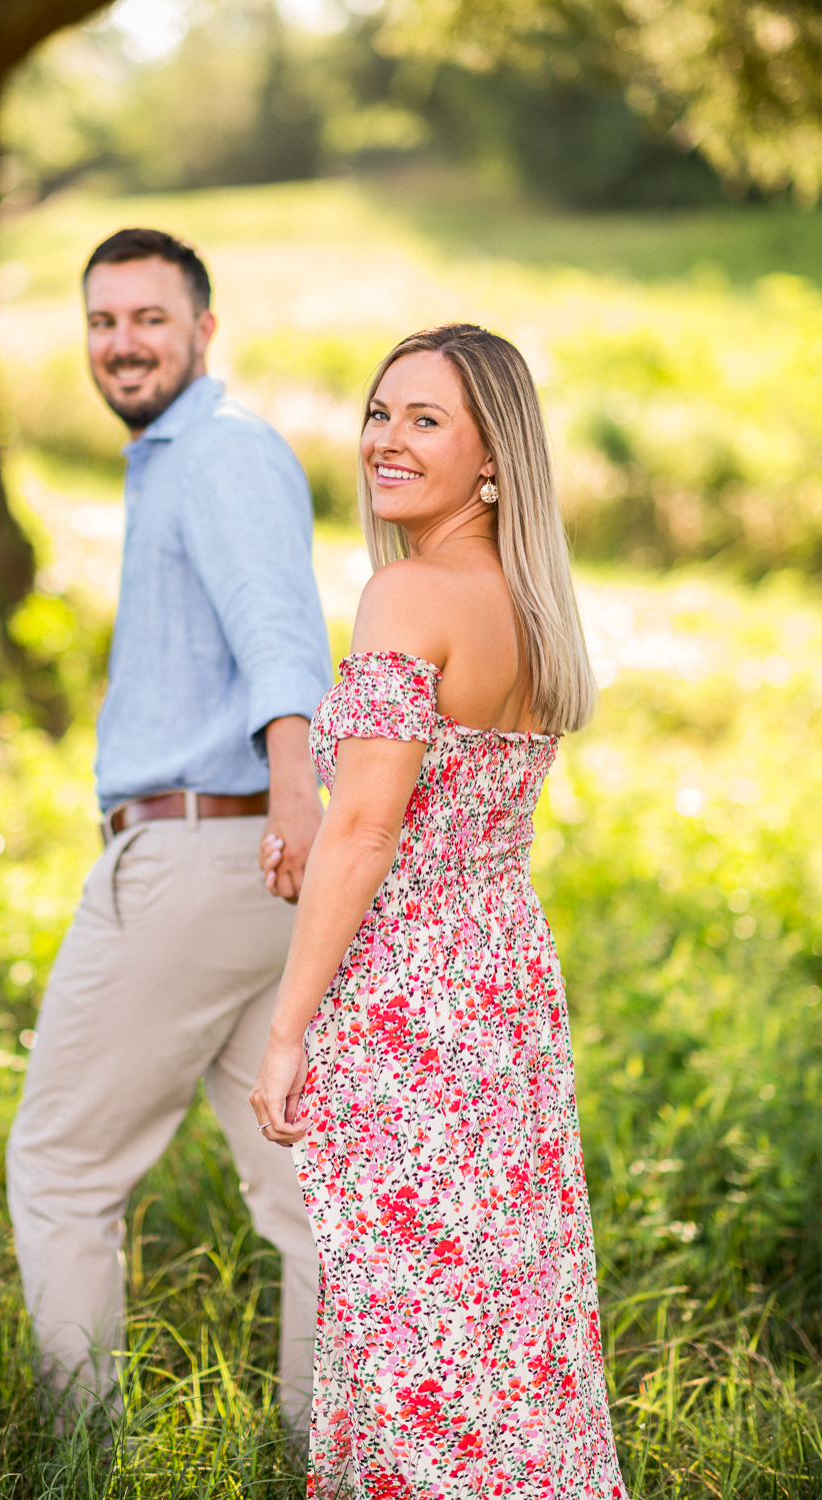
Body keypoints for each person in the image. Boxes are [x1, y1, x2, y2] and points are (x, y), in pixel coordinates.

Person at [251, 323, 626, 1495]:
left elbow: (367, 833)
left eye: (426, 421)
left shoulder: (408, 591)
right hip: (503, 987)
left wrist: (283, 1028)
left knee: (406, 1325)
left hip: (407, 1005)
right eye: (379, 413)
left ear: (492, 458)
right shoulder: (527, 602)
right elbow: (427, 821)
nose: (387, 441)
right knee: (510, 1317)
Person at [6, 228, 332, 1434]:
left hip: (201, 856)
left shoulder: (221, 453)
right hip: (248, 874)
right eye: (103, 321)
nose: (123, 342)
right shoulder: (180, 458)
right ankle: (327, 1447)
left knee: (61, 1168)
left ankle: (77, 1450)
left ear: (204, 329)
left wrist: (298, 795)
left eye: (149, 318)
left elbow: (280, 637)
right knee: (306, 1197)